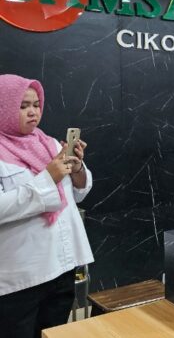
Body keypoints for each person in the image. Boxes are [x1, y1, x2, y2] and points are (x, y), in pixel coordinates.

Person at [0, 75, 93, 338]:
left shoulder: (49, 144)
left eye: (36, 104)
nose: (33, 112)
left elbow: (76, 195)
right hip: (20, 277)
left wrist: (77, 169)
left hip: (62, 267)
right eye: (22, 106)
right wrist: (47, 178)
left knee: (54, 333)